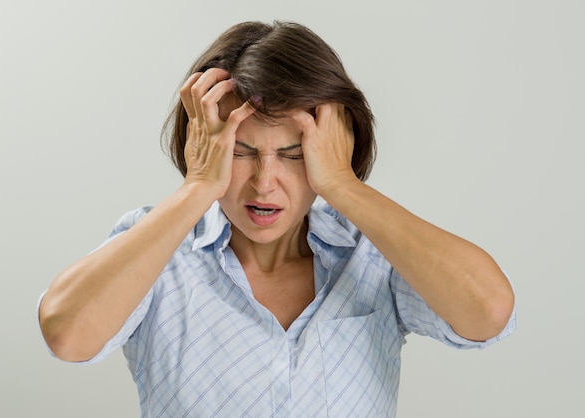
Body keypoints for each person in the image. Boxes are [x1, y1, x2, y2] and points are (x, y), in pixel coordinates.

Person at [38, 20, 516, 417]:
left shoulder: (373, 255)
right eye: (241, 152)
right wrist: (198, 185)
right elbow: (67, 333)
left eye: (293, 155)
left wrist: (344, 186)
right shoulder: (158, 251)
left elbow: (488, 311)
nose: (265, 183)